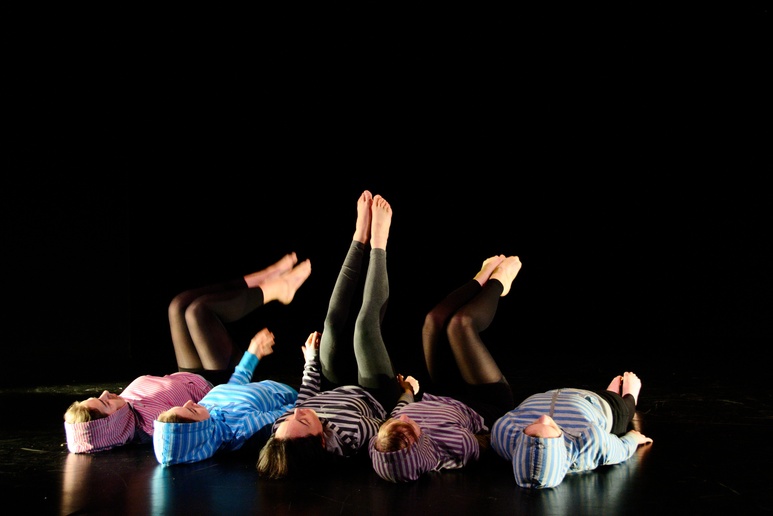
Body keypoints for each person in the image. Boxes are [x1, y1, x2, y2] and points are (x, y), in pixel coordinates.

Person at [63, 253, 309, 454]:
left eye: (99, 396)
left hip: (190, 376)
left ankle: (262, 278)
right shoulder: (154, 425)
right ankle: (277, 289)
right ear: (114, 423)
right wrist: (250, 358)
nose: (106, 393)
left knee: (178, 306)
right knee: (199, 312)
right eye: (105, 403)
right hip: (218, 385)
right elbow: (209, 415)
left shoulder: (125, 404)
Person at [256, 190, 418, 480]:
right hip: (374, 395)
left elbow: (305, 401)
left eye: (290, 419)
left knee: (331, 325)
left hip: (335, 386)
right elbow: (390, 422)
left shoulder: (284, 430)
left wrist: (310, 361)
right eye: (303, 422)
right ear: (321, 441)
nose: (296, 414)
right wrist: (407, 394)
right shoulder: (351, 436)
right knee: (364, 329)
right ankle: (379, 243)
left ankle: (359, 237)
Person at [368, 255, 522, 482]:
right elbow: (491, 443)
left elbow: (399, 410)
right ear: (419, 444)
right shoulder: (455, 445)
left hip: (443, 394)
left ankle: (481, 278)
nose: (407, 417)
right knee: (461, 324)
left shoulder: (389, 435)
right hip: (486, 405)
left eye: (396, 422)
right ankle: (500, 282)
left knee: (433, 321)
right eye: (409, 426)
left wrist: (408, 390)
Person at [153, 327, 304, 466]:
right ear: (200, 433)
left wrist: (253, 354)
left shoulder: (206, 410)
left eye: (183, 406)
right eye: (191, 411)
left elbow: (232, 389)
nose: (189, 402)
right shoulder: (243, 429)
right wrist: (310, 372)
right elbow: (294, 411)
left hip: (265, 379)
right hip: (295, 386)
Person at [490, 371, 654, 489]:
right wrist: (633, 438)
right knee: (623, 409)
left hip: (550, 395)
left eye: (533, 425)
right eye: (551, 427)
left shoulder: (504, 434)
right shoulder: (587, 442)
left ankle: (609, 393)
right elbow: (620, 449)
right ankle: (627, 396)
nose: (545, 418)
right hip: (597, 405)